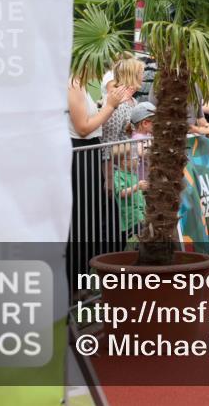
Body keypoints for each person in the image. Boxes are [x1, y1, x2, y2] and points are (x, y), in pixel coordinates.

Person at [67, 74, 132, 295]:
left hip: (89, 153)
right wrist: (110, 106)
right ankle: (74, 285)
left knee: (90, 219)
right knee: (80, 221)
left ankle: (82, 281)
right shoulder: (72, 84)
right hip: (78, 156)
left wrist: (108, 105)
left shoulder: (81, 85)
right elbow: (83, 128)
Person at [113, 102, 154, 243]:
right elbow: (142, 153)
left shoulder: (147, 136)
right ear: (144, 123)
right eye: (154, 121)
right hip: (141, 183)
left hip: (142, 186)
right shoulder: (137, 139)